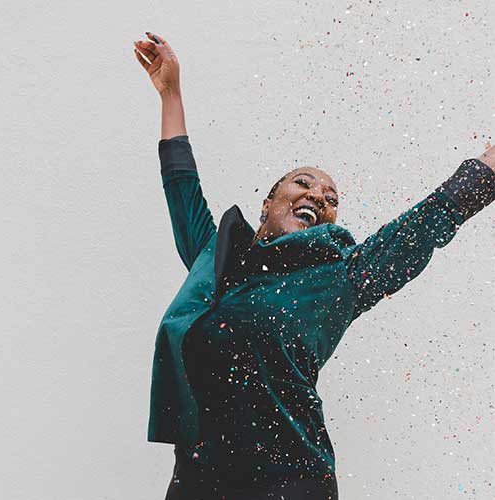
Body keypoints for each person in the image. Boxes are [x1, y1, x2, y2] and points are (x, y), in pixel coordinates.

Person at [134, 32, 495, 500]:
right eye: (303, 184)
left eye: (330, 200)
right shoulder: (214, 259)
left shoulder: (339, 278)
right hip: (198, 480)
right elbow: (181, 183)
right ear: (268, 202)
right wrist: (170, 93)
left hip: (289, 483)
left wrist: (489, 165)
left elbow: (421, 228)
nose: (317, 197)